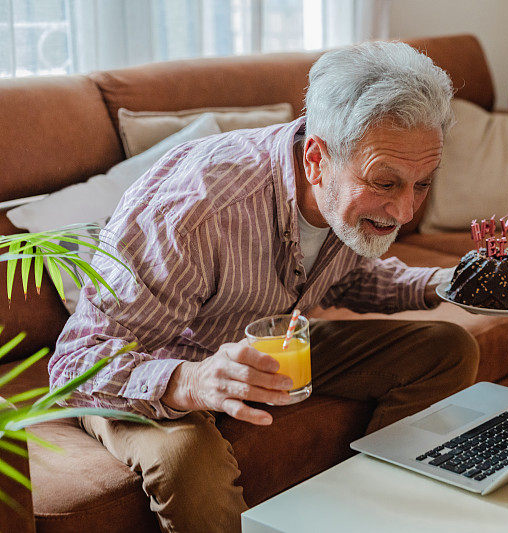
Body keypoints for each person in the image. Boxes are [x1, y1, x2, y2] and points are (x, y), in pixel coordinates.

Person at [49, 40, 479, 532]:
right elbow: (76, 363)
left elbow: (349, 276)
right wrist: (190, 381)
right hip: (153, 368)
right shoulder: (197, 207)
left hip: (264, 348)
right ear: (317, 158)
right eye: (385, 183)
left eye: (422, 184)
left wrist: (448, 283)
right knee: (189, 459)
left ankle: (375, 515)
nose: (405, 212)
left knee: (446, 347)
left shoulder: (343, 200)